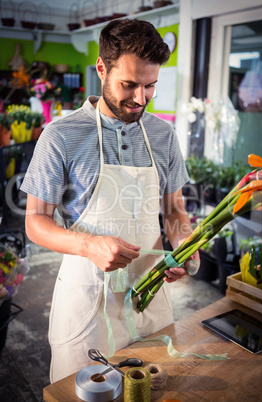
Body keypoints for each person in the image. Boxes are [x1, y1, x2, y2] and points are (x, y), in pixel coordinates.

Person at [21, 18, 199, 383]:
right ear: (102, 68)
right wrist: (87, 245)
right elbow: (35, 222)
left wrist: (185, 247)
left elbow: (174, 210)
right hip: (87, 307)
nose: (140, 99)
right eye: (129, 85)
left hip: (149, 303)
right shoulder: (60, 136)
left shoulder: (163, 135)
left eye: (150, 86)